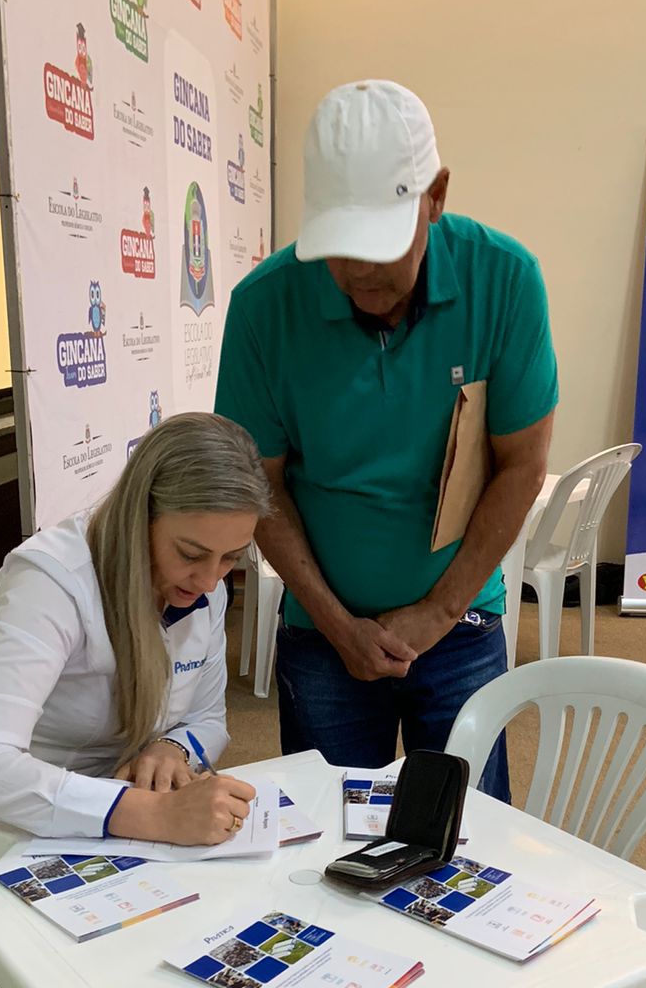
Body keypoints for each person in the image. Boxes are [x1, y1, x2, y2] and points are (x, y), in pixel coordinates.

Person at [215, 80, 558, 799]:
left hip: (460, 619)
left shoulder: (506, 280)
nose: (361, 276)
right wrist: (338, 623)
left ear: (436, 195)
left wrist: (437, 612)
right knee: (331, 846)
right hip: (323, 632)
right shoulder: (264, 308)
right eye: (342, 251)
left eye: (382, 249)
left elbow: (522, 464)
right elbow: (262, 482)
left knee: (467, 842)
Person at [0, 413, 266, 875]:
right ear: (139, 515)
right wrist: (153, 815)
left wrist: (172, 747)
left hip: (117, 804)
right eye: (189, 554)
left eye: (231, 559)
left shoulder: (207, 588)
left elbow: (207, 718)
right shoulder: (51, 581)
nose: (209, 581)